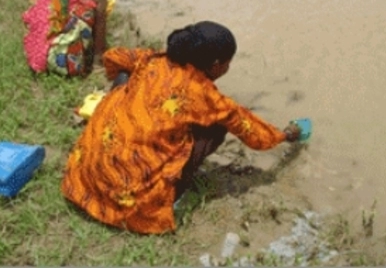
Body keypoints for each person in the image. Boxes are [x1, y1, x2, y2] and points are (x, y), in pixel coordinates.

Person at [61, 21, 301, 234]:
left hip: (87, 177)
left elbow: (114, 57)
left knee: (125, 79)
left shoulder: (152, 59)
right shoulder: (204, 94)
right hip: (129, 200)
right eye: (228, 64)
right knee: (217, 127)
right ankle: (175, 194)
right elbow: (253, 133)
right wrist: (286, 135)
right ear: (216, 65)